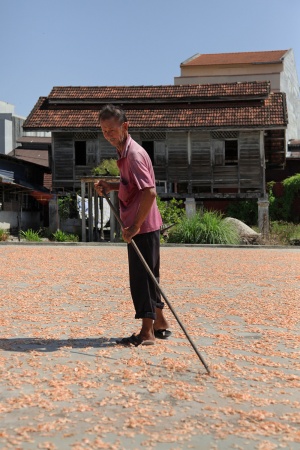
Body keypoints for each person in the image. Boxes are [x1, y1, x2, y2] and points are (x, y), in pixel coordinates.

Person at [94, 104, 171, 346]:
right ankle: (160, 323)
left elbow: (149, 193)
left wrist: (135, 226)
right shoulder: (123, 151)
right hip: (143, 225)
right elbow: (133, 184)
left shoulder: (134, 154)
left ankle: (146, 333)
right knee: (149, 275)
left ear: (125, 126)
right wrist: (111, 186)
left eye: (112, 130)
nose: (108, 135)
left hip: (143, 226)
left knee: (142, 278)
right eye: (104, 131)